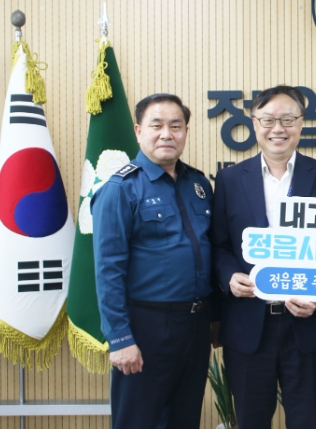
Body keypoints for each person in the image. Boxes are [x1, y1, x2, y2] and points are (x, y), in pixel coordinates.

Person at [213, 85, 316, 429]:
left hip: (306, 324)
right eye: (268, 120)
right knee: (251, 421)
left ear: (301, 124)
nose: (278, 129)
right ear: (254, 125)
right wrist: (229, 276)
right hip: (247, 325)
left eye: (287, 119)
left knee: (305, 421)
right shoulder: (229, 179)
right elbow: (220, 245)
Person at [92, 93, 214, 429]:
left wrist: (216, 318)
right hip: (146, 325)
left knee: (185, 418)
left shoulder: (198, 184)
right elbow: (107, 270)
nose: (166, 134)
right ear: (138, 131)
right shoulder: (120, 188)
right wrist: (120, 338)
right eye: (156, 125)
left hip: (195, 325)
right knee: (140, 420)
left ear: (186, 131)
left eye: (175, 126)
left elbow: (208, 250)